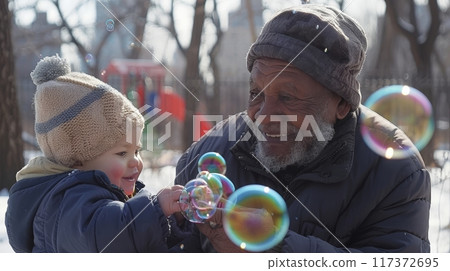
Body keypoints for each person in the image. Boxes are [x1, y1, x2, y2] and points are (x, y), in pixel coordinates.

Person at [175, 4, 431, 252]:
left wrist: (273, 250)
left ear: (341, 104)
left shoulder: (395, 172)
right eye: (256, 93)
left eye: (287, 97)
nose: (263, 116)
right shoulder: (204, 154)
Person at [5, 55, 183, 252]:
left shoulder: (109, 197)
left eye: (137, 151)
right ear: (78, 160)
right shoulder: (66, 204)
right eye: (122, 153)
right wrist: (155, 209)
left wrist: (173, 221)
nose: (136, 162)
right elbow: (104, 236)